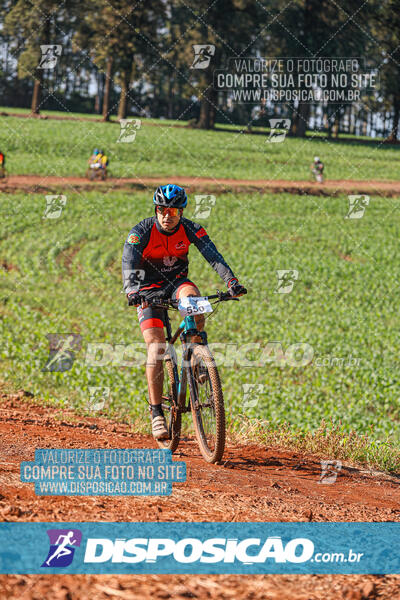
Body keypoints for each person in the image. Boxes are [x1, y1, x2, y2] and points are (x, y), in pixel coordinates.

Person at [122, 184, 247, 440]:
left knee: (194, 299)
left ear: (181, 213)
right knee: (157, 346)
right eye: (163, 210)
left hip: (177, 283)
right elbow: (129, 261)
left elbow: (213, 255)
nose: (168, 216)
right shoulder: (141, 232)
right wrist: (132, 290)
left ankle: (198, 356)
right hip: (147, 290)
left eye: (174, 212)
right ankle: (156, 412)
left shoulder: (191, 229)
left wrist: (231, 282)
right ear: (156, 210)